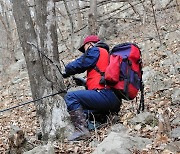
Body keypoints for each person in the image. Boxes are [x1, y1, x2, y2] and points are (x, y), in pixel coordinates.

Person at [63, 35, 121, 141]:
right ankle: (103, 119)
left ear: (89, 44)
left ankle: (81, 131)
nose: (85, 52)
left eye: (84, 48)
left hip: (104, 95)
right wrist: (85, 83)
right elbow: (101, 77)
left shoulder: (95, 50)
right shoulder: (106, 54)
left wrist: (65, 70)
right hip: (113, 99)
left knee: (71, 97)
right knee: (80, 108)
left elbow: (78, 64)